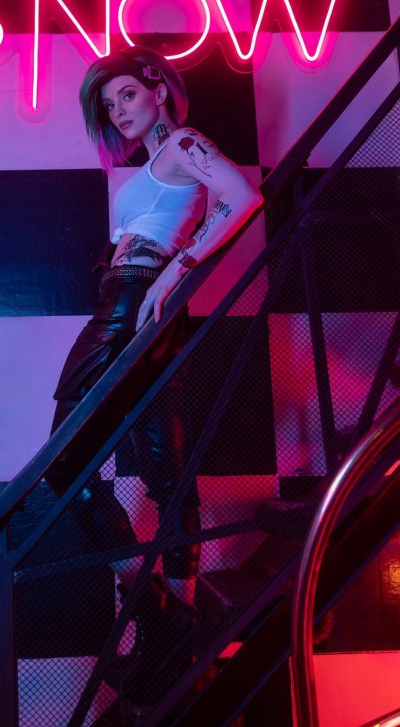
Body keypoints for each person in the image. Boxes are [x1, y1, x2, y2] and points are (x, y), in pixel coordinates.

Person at [43, 46, 263, 708]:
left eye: (129, 95)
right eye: (109, 104)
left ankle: (159, 614)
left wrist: (178, 270)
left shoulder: (184, 143)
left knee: (64, 464)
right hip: (137, 302)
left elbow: (242, 196)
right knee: (164, 466)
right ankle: (172, 623)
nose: (119, 111)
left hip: (134, 299)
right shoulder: (153, 163)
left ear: (159, 89)